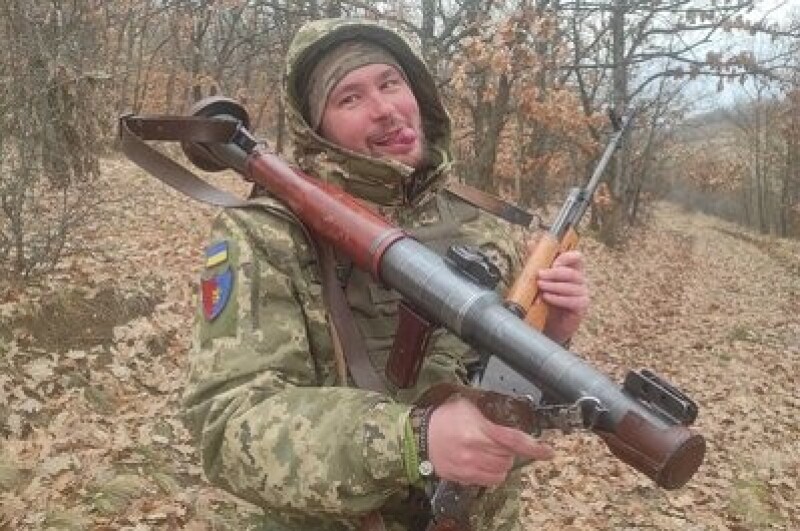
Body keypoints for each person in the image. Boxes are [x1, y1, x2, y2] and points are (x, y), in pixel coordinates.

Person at [182, 18, 589, 531]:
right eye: (349, 98)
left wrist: (548, 339)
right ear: (316, 128)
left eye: (390, 83)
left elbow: (508, 431)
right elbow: (228, 426)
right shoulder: (269, 234)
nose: (385, 109)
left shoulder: (481, 225)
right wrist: (410, 441)